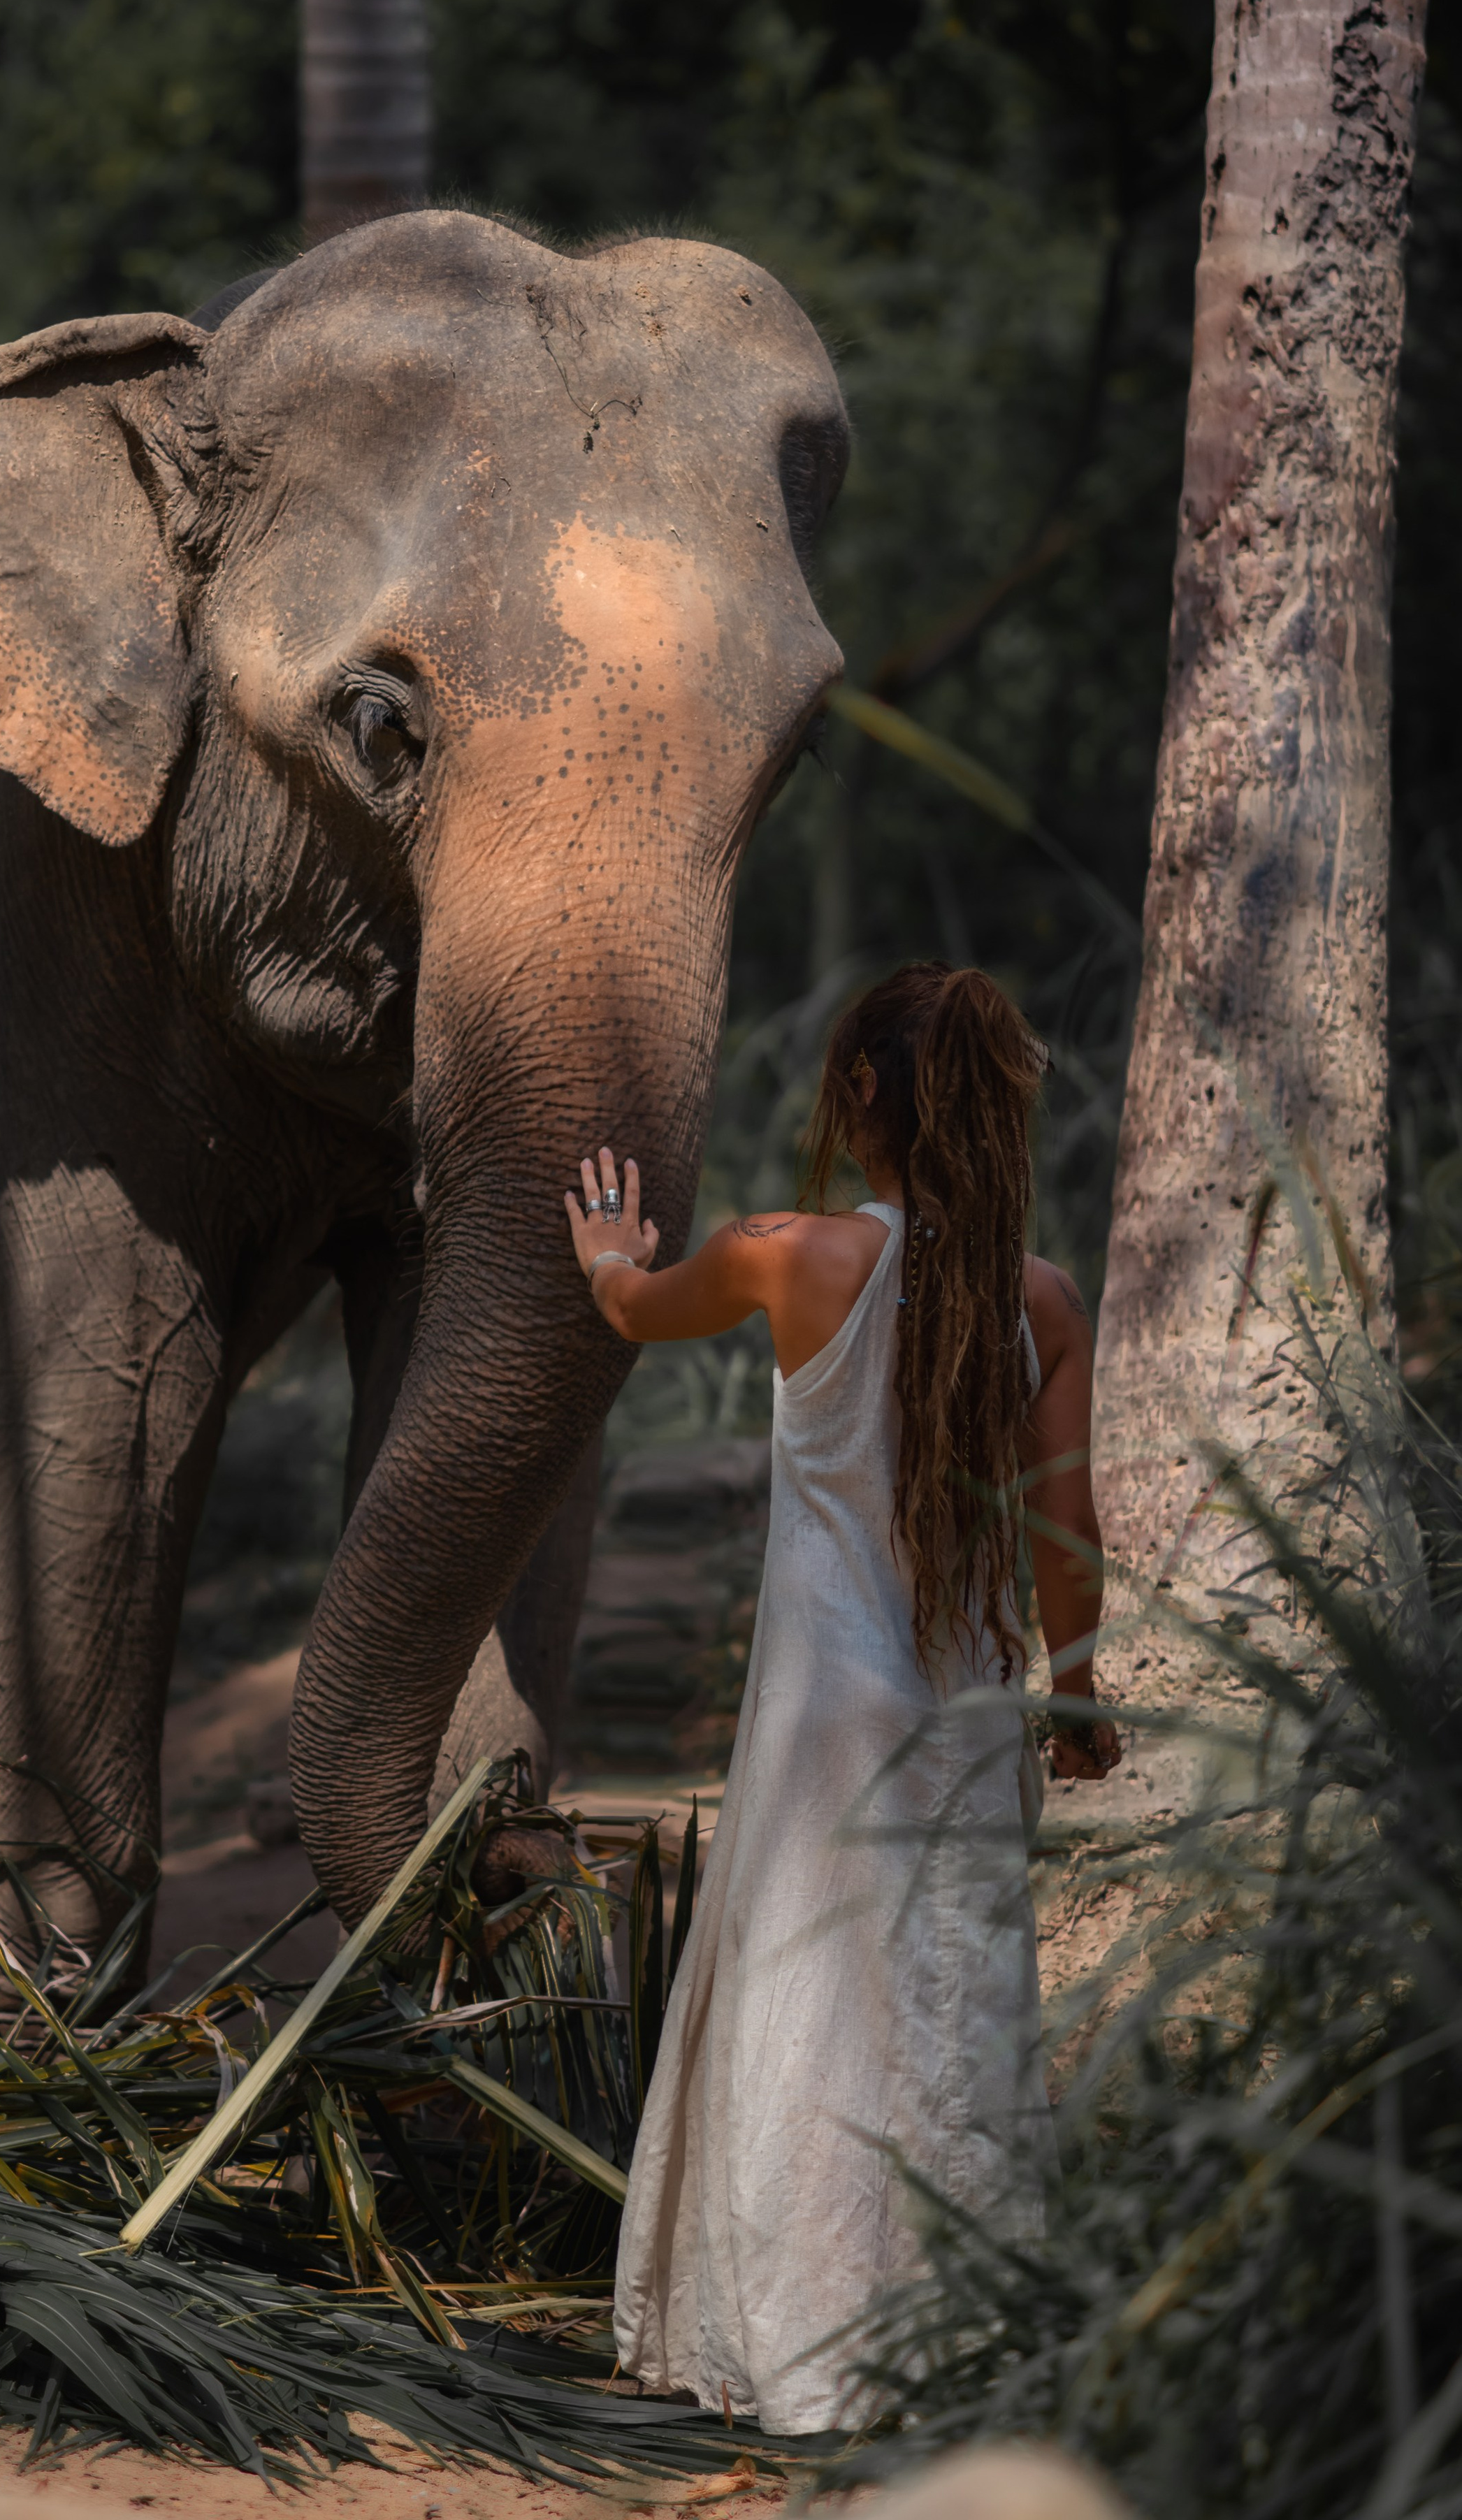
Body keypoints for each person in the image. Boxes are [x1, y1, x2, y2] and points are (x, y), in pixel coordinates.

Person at [563, 962, 1121, 2437]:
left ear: (862, 1092)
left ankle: (802, 2351)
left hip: (822, 1720)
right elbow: (1067, 1547)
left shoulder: (779, 1256)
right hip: (968, 1722)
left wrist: (608, 1256)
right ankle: (962, 2346)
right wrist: (1076, 1700)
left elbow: (633, 1311)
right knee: (956, 2025)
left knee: (804, 2020)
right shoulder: (1043, 1304)